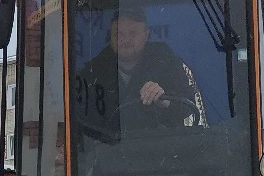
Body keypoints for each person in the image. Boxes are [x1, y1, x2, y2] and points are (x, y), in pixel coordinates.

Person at [77, 10, 208, 132]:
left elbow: (189, 106)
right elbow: (83, 124)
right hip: (111, 151)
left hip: (166, 149)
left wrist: (164, 101)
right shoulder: (93, 72)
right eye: (118, 34)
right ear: (110, 38)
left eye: (133, 33)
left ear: (146, 35)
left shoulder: (166, 61)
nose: (126, 40)